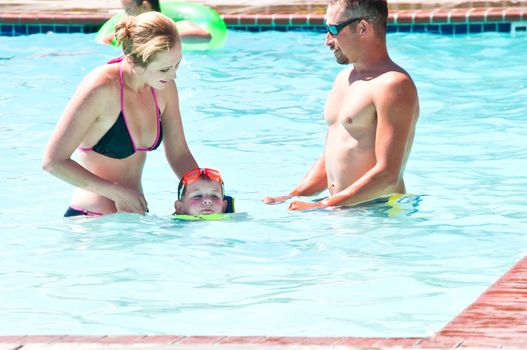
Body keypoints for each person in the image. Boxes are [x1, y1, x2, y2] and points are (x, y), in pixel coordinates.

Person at [264, 0, 419, 211]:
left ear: (363, 28)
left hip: (380, 214)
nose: (327, 40)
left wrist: (323, 206)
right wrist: (293, 195)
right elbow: (333, 156)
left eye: (333, 29)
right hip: (343, 210)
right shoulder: (343, 80)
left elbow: (388, 175)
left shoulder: (392, 85)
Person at [42, 12, 198, 217]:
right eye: (164, 69)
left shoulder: (164, 86)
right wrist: (117, 193)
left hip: (134, 222)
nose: (173, 74)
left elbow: (179, 153)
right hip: (91, 221)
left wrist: (205, 190)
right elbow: (53, 162)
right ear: (137, 62)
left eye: (177, 64)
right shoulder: (101, 87)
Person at [101, 0, 212, 45]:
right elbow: (106, 40)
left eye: (129, 10)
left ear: (145, 5)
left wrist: (158, 37)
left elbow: (206, 36)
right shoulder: (131, 33)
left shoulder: (178, 26)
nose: (126, 16)